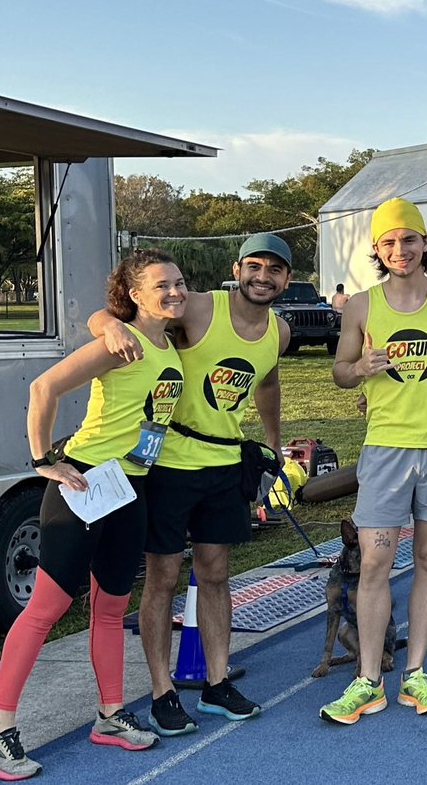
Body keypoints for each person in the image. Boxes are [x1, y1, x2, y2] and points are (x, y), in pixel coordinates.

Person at [0, 251, 187, 780]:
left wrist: (106, 317)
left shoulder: (167, 343)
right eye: (163, 285)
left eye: (180, 282)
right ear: (135, 295)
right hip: (86, 481)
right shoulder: (120, 344)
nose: (176, 291)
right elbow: (43, 388)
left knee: (111, 607)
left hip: (129, 488)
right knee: (45, 608)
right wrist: (44, 461)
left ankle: (110, 716)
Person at [89, 233, 291, 735]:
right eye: (255, 266)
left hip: (225, 466)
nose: (263, 277)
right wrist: (106, 324)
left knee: (217, 574)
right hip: (170, 463)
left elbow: (266, 381)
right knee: (162, 577)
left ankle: (217, 683)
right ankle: (162, 692)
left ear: (288, 278)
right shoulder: (198, 307)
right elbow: (114, 315)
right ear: (237, 268)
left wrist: (273, 446)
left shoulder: (280, 332)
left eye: (275, 270)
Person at [320, 198, 427, 724]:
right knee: (375, 564)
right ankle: (368, 680)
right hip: (385, 451)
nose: (400, 250)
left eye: (410, 239)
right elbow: (338, 371)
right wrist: (359, 368)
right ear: (377, 250)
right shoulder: (361, 305)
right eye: (389, 242)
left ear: (425, 243)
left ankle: (417, 674)